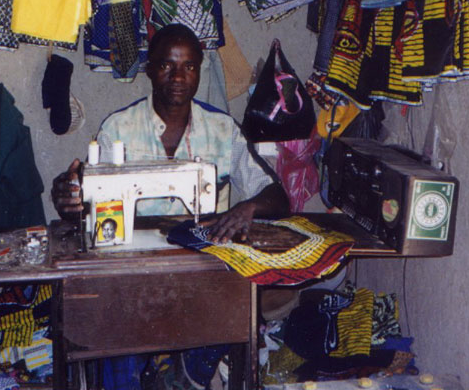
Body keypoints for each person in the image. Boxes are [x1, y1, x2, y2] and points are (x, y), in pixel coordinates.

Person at [51, 23, 290, 389]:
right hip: (130, 277)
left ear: (199, 70)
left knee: (232, 312)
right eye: (167, 65)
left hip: (202, 273)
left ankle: (188, 375)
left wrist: (248, 208)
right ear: (150, 69)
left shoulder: (222, 130)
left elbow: (276, 195)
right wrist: (68, 198)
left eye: (189, 66)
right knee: (119, 344)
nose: (179, 76)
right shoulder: (119, 128)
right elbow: (83, 198)